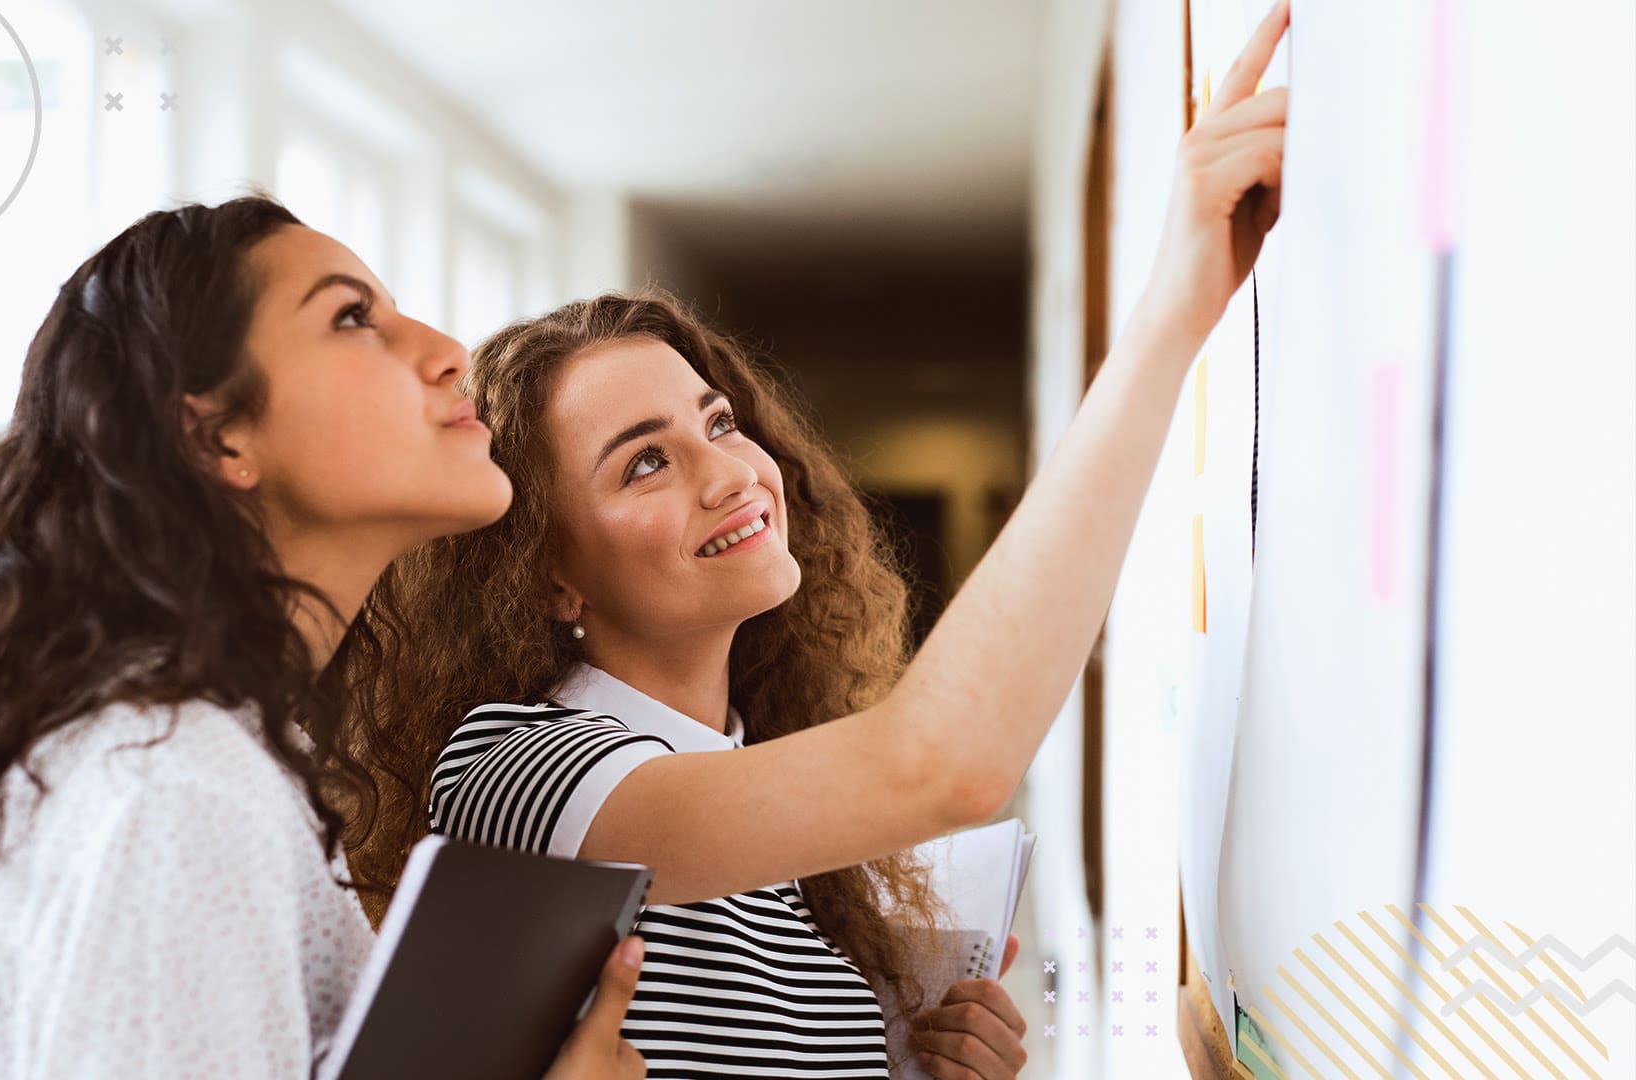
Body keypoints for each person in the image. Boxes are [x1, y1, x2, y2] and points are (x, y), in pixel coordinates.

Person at [344, 6, 1293, 1078]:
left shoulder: (760, 795)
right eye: (644, 461)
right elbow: (946, 769)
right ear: (545, 572)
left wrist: (907, 1067)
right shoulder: (516, 773)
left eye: (715, 422)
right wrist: (1173, 307)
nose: (731, 471)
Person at [0, 197, 645, 1079]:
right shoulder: (175, 785)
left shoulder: (199, 753)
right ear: (217, 434)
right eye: (352, 317)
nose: (449, 355)